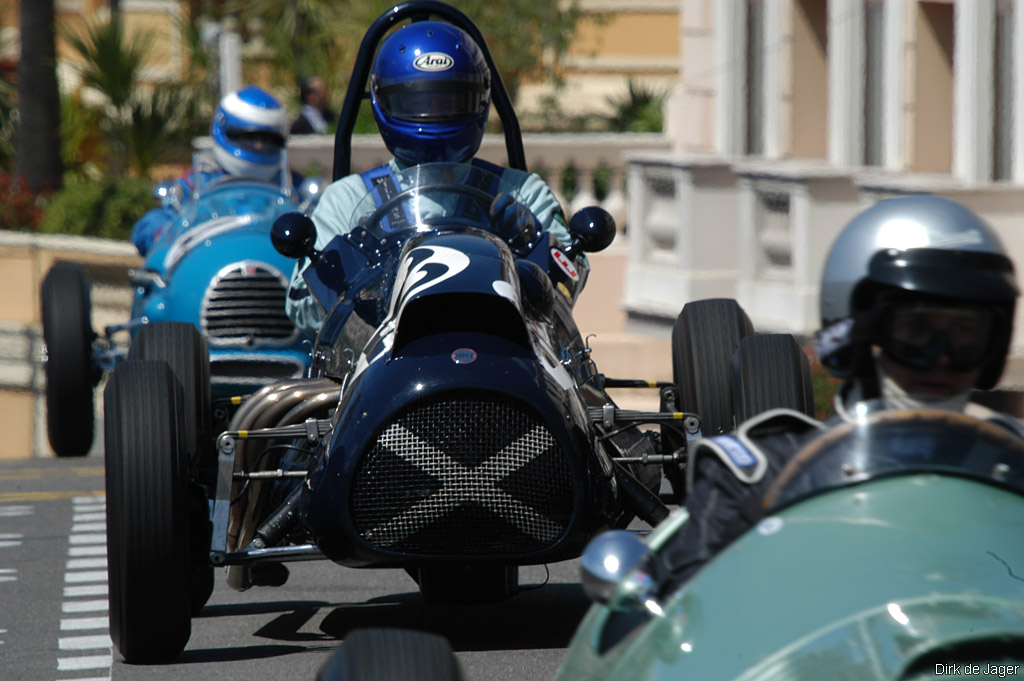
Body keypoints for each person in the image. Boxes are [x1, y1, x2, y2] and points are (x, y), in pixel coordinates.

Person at [660, 194, 1023, 587]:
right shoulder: (753, 479)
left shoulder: (1015, 465)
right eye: (914, 331)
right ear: (860, 331)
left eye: (966, 333)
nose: (941, 359)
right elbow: (688, 623)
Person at [284, 20, 574, 338]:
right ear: (384, 101)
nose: (433, 113)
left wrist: (532, 244)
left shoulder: (523, 192)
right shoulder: (349, 197)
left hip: (503, 350)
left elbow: (566, 291)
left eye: (449, 100)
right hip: (384, 366)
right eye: (417, 102)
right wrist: (354, 267)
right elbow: (302, 309)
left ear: (480, 98)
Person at [129, 85, 290, 256]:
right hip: (211, 266)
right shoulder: (197, 182)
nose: (259, 145)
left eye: (268, 139)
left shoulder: (289, 185)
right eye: (249, 136)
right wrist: (164, 234)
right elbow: (150, 226)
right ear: (225, 132)